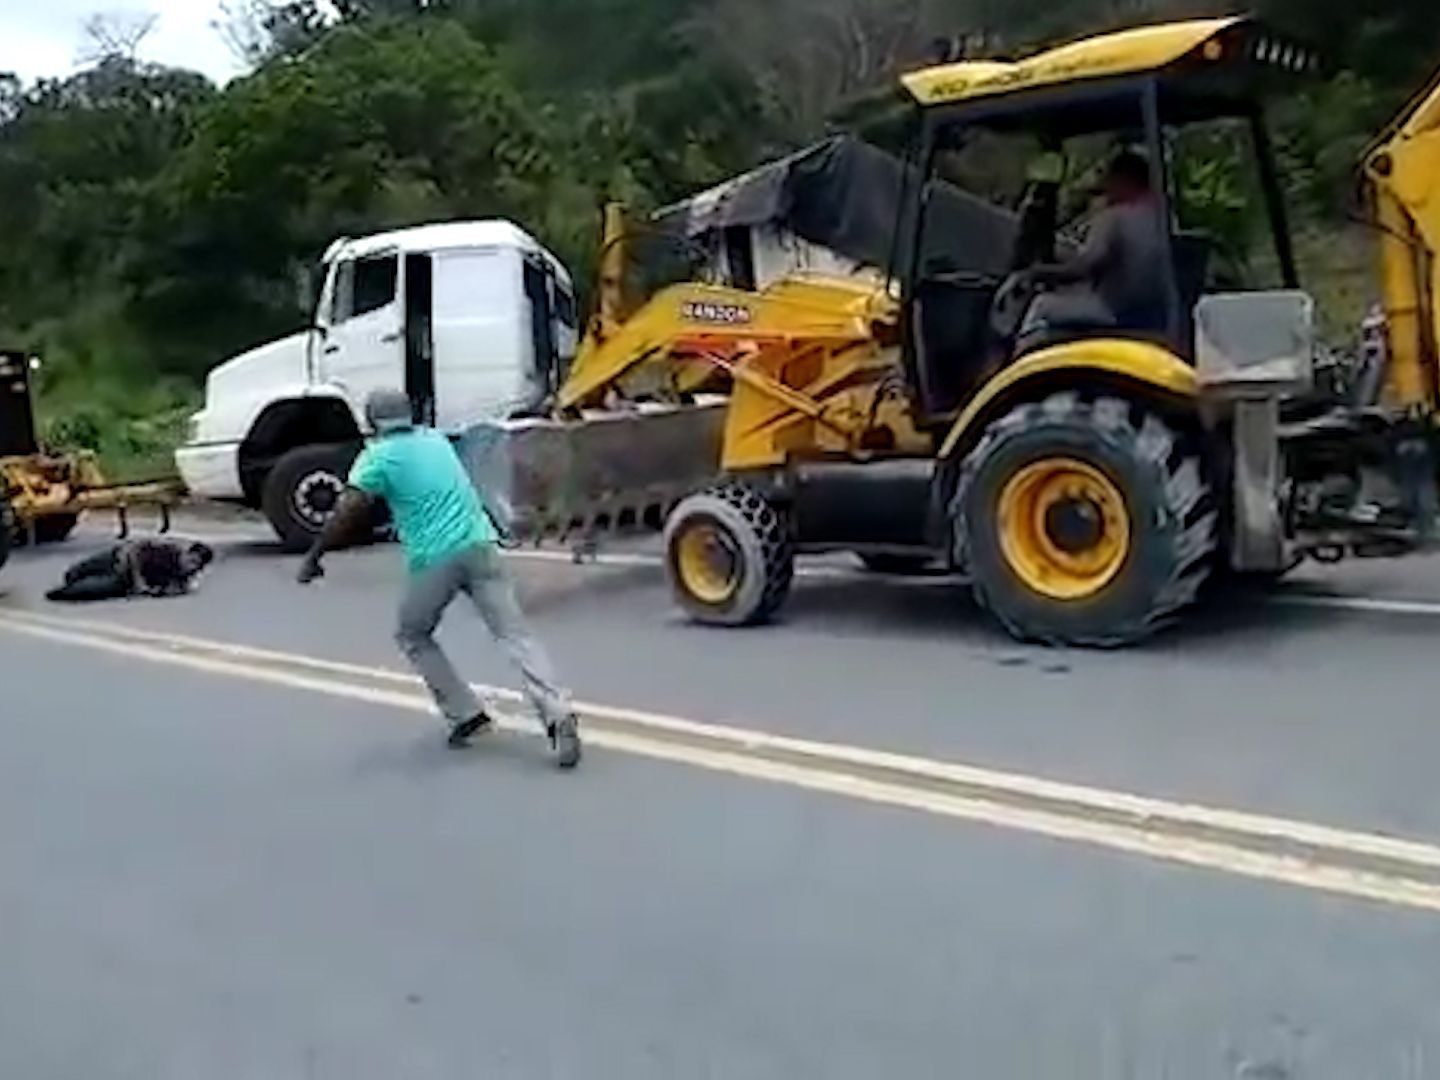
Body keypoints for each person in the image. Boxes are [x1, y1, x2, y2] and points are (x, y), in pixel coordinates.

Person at [295, 387, 582, 768]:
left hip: (435, 559)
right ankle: (558, 711)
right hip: (481, 545)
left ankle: (465, 713)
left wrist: (314, 556)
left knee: (412, 633)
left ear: (371, 421)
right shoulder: (434, 440)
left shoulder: (376, 458)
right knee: (515, 635)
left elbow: (350, 508)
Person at [1021, 149, 1171, 337]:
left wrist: (1038, 271)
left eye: (1110, 180)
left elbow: (1085, 266)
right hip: (1155, 312)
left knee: (1041, 305)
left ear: (1124, 180)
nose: (1106, 187)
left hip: (1115, 310)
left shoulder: (1114, 217)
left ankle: (1016, 360)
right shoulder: (1162, 218)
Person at [47, 538, 214, 603]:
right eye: (191, 559)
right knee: (74, 573)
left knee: (90, 589)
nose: (190, 564)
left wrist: (142, 585)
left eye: (196, 564)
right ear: (187, 553)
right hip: (120, 557)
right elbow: (138, 547)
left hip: (125, 581)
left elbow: (156, 591)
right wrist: (140, 578)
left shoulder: (183, 582)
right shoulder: (169, 550)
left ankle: (62, 593)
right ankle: (72, 578)